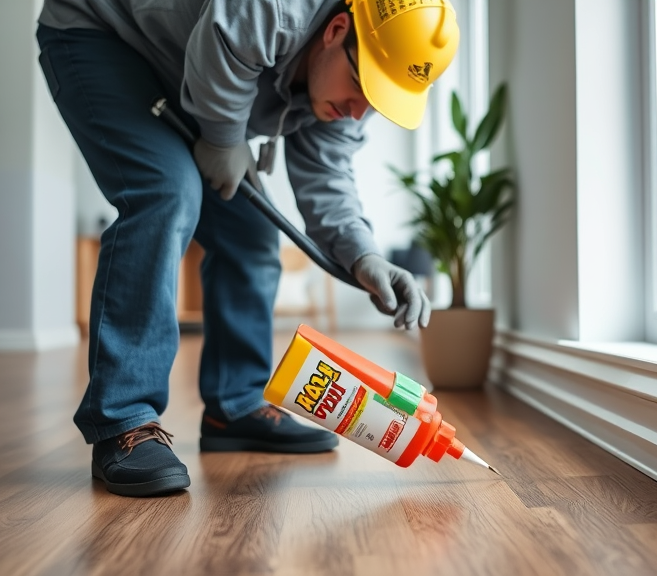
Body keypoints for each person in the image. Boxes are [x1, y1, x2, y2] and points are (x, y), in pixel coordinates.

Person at [35, 0, 460, 497]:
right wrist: (221, 136)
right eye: (364, 88)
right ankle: (122, 423)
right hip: (101, 32)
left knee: (251, 233)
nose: (359, 110)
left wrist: (365, 257)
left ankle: (234, 407)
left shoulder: (351, 77)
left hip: (186, 69)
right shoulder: (278, 7)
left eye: (379, 100)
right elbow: (221, 42)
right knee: (165, 192)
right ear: (337, 30)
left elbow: (327, 178)